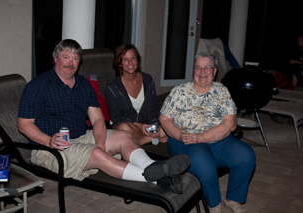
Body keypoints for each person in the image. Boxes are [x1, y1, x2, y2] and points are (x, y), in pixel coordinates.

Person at [17, 39, 190, 194]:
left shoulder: (83, 84)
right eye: (66, 57)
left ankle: (151, 167)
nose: (70, 63)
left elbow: (98, 120)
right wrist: (48, 141)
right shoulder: (37, 86)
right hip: (52, 148)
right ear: (55, 59)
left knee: (122, 136)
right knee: (96, 154)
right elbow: (24, 125)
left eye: (75, 58)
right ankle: (158, 178)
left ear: (80, 61)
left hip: (83, 137)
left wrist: (100, 143)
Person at [159, 52, 256, 212]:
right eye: (198, 68)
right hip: (185, 140)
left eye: (207, 67)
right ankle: (215, 204)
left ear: (215, 71)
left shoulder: (222, 91)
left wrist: (202, 137)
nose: (202, 72)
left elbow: (230, 124)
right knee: (204, 161)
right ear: (193, 70)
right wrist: (179, 135)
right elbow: (164, 119)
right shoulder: (180, 91)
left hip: (218, 140)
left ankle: (233, 199)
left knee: (246, 156)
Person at [105, 44, 167, 145]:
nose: (130, 62)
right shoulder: (112, 88)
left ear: (137, 61)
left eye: (133, 58)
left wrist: (154, 126)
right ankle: (151, 139)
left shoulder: (148, 80)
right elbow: (116, 117)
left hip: (146, 126)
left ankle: (142, 140)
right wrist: (139, 126)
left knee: (172, 124)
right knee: (124, 128)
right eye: (125, 59)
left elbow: (153, 108)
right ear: (119, 63)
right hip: (129, 127)